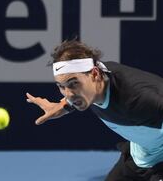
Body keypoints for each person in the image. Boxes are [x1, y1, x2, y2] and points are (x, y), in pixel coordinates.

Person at [26, 39, 163, 181]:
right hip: (141, 155)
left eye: (73, 83)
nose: (68, 94)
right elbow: (71, 97)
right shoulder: (91, 85)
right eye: (61, 86)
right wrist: (62, 106)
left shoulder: (139, 97)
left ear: (95, 74)